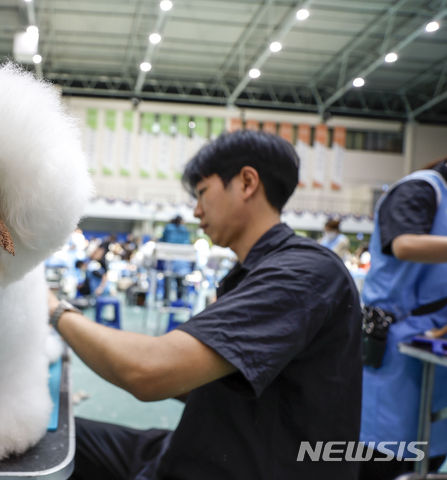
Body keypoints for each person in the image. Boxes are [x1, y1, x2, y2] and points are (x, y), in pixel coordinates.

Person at [48, 130, 362, 479]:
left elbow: (147, 372)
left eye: (202, 193)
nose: (196, 210)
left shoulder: (301, 275)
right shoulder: (251, 272)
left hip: (241, 467)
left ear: (246, 182)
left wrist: (55, 309)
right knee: (51, 441)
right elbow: (190, 379)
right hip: (205, 443)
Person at [359, 157, 447, 480]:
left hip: (433, 355)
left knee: (427, 456)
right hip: (393, 351)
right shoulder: (421, 188)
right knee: (383, 458)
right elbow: (404, 244)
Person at [159, 215, 192, 300]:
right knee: (180, 281)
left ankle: (166, 301)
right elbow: (187, 243)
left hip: (169, 258)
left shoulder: (168, 228)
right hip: (182, 260)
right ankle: (179, 300)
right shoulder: (184, 229)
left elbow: (163, 240)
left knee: (168, 280)